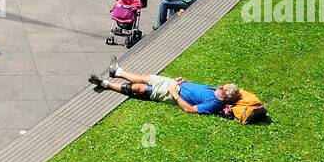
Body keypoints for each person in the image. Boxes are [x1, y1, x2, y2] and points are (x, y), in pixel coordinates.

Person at [89, 58, 237, 116]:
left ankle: (105, 84)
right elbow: (198, 90)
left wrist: (175, 94)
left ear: (225, 95)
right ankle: (117, 71)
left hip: (170, 93)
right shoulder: (214, 90)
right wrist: (184, 82)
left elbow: (190, 109)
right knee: (146, 78)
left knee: (139, 88)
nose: (220, 85)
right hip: (175, 84)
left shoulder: (213, 104)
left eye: (223, 87)